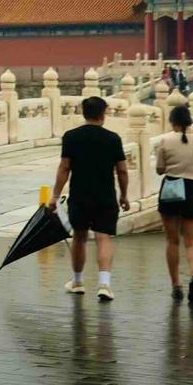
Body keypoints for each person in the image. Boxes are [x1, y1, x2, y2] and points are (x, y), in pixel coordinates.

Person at [51, 96, 130, 301]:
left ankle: (77, 282)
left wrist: (55, 195)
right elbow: (122, 171)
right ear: (103, 114)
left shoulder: (71, 137)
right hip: (105, 195)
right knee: (104, 237)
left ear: (84, 113)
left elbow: (64, 167)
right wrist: (124, 195)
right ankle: (104, 284)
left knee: (79, 237)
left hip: (80, 195)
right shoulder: (113, 139)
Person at [153, 103, 193, 304]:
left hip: (171, 188)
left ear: (173, 122)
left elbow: (160, 169)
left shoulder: (165, 140)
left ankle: (176, 285)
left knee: (172, 241)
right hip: (192, 189)